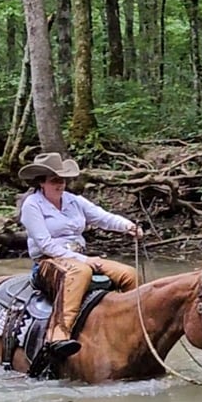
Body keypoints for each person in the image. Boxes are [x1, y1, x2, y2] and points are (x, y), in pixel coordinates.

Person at [18, 152, 144, 360]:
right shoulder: (32, 205)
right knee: (80, 272)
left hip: (79, 257)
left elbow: (102, 217)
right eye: (54, 180)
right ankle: (58, 335)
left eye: (63, 180)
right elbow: (45, 244)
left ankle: (131, 326)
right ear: (42, 182)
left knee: (129, 274)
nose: (60, 184)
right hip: (48, 261)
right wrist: (85, 260)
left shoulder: (74, 201)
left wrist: (127, 226)